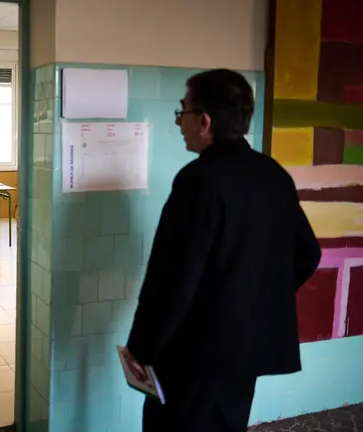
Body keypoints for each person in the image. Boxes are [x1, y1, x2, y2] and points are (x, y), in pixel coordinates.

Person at [122, 69, 321, 432]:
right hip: (244, 352)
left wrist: (142, 348)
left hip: (192, 355)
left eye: (183, 112)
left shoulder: (198, 180)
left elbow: (173, 279)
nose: (179, 122)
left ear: (205, 121)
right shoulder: (273, 174)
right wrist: (253, 298)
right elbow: (308, 254)